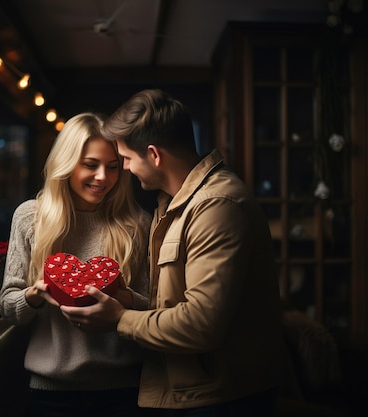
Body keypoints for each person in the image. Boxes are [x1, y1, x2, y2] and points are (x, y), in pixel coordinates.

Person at [60, 89, 283, 416]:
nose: (123, 169)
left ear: (154, 154)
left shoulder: (215, 207)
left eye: (126, 158)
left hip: (224, 399)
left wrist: (120, 319)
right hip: (196, 392)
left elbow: (201, 324)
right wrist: (130, 301)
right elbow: (178, 303)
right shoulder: (174, 204)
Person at [0, 112, 152, 417]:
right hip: (50, 392)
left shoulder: (137, 224)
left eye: (112, 167)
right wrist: (35, 295)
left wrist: (123, 300)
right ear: (66, 164)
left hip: (123, 391)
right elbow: (7, 304)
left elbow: (155, 307)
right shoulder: (30, 217)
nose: (102, 178)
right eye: (90, 165)